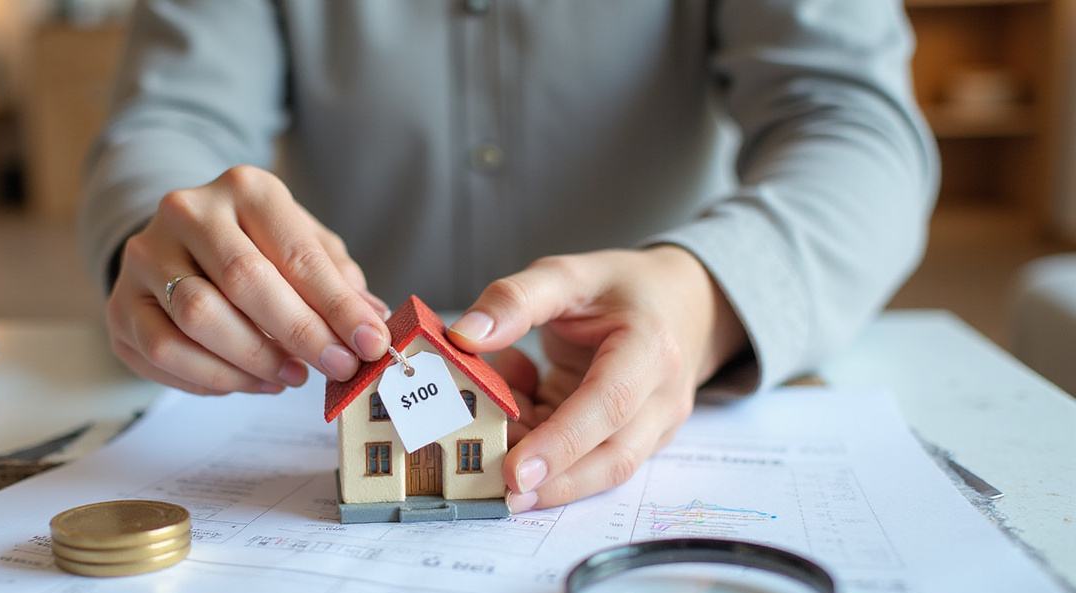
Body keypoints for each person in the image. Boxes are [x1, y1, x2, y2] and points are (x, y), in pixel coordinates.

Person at [78, 0, 938, 513]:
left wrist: (707, 294)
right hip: (322, 357)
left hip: (679, 364)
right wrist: (166, 256)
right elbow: (166, 124)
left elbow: (858, 126)